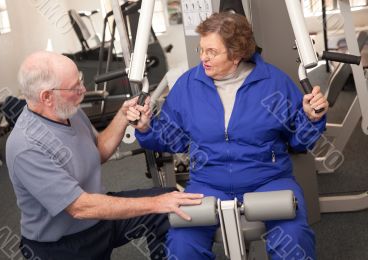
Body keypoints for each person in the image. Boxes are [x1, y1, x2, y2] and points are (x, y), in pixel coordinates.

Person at [127, 12, 329, 259]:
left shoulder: (273, 83)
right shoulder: (188, 85)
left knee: (294, 240)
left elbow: (299, 141)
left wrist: (312, 117)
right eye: (201, 49)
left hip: (268, 179)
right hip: (208, 183)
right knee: (181, 245)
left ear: (236, 54)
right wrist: (146, 128)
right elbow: (173, 140)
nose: (203, 57)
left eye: (212, 51)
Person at [6, 51, 203, 260]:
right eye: (75, 87)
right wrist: (156, 203)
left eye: (80, 81)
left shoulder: (68, 110)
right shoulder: (26, 147)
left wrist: (123, 115)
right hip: (62, 246)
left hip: (100, 219)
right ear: (47, 97)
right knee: (161, 203)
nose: (84, 90)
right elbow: (80, 207)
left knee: (169, 209)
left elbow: (97, 151)